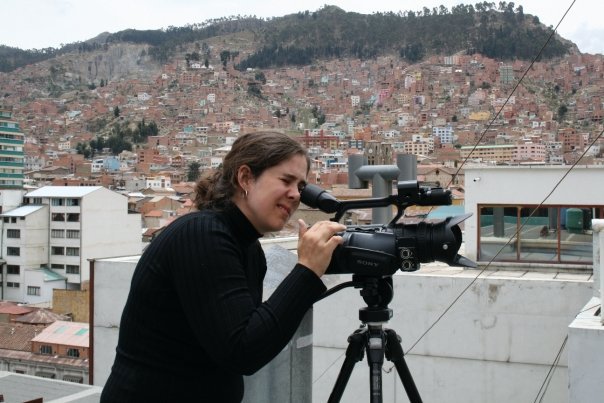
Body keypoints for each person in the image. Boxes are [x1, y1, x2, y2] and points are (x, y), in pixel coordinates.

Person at [100, 131, 346, 402]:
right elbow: (243, 351)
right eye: (286, 181)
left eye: (301, 187)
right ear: (245, 178)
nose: (295, 195)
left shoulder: (247, 249)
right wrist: (307, 271)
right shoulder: (202, 235)